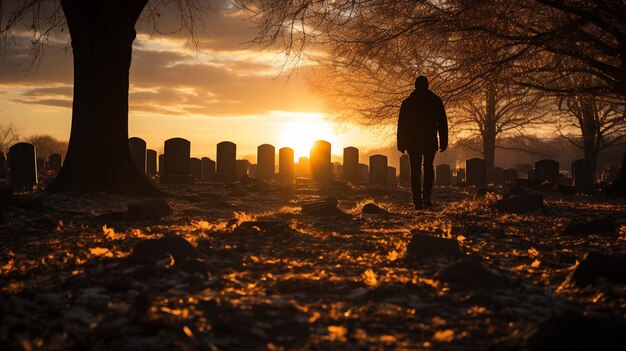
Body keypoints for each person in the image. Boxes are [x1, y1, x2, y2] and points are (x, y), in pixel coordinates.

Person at [397, 76, 448, 209]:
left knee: (415, 171)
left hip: (413, 142)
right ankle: (426, 198)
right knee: (428, 168)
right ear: (427, 85)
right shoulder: (435, 101)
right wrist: (443, 141)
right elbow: (442, 123)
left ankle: (417, 201)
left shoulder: (407, 103)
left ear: (415, 86)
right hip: (429, 141)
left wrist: (401, 143)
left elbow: (402, 125)